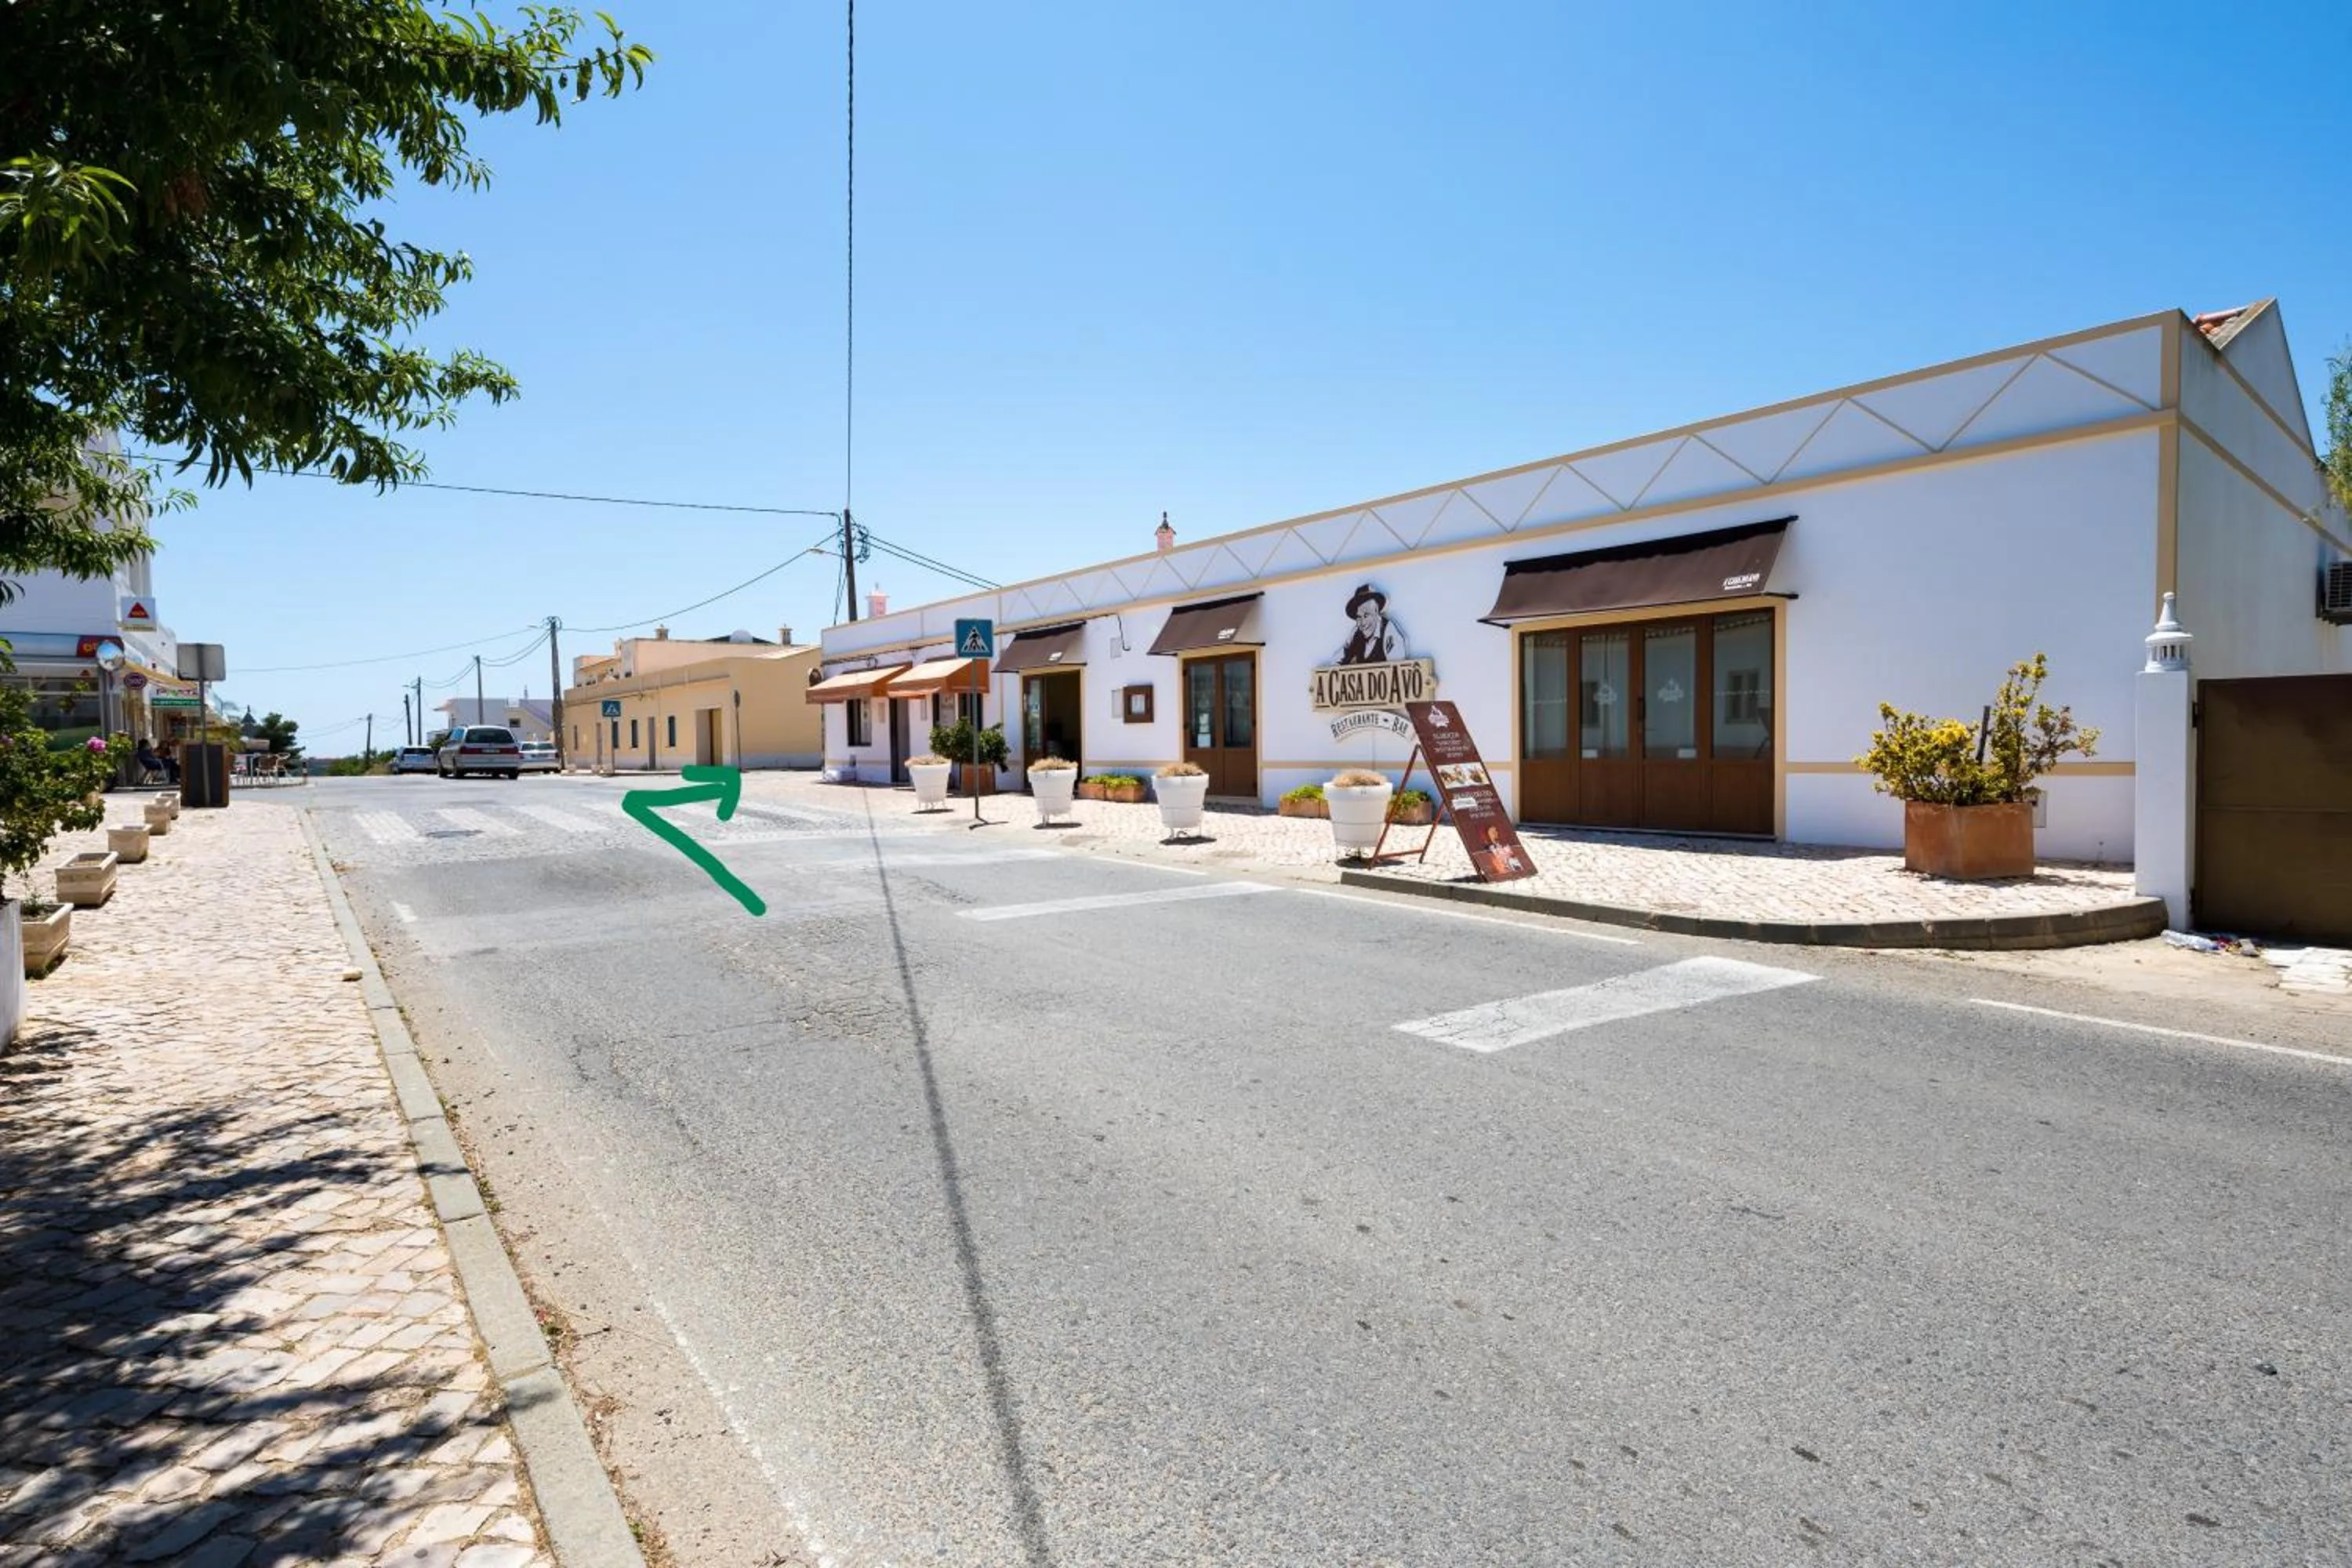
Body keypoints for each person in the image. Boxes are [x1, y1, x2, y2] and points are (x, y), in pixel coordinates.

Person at [1335, 584, 1405, 666]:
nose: (1362, 623)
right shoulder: (1356, 633)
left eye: (1366, 616)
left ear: (1376, 611)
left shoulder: (1389, 632)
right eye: (1359, 617)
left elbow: (1398, 669)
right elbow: (1336, 663)